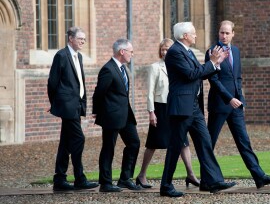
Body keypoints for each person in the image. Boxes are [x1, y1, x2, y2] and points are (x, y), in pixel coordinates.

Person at [160, 21, 236, 198]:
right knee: (175, 146)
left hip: (193, 106)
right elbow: (191, 74)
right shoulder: (175, 53)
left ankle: (213, 180)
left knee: (205, 141)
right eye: (193, 33)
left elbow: (200, 73)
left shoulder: (188, 52)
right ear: (185, 36)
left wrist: (216, 64)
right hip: (181, 107)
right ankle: (166, 185)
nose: (196, 35)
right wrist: (212, 62)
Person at [205, 20, 270, 189]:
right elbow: (214, 80)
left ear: (233, 34)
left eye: (227, 33)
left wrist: (240, 99)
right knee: (209, 143)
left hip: (236, 105)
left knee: (244, 141)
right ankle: (206, 180)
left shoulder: (236, 51)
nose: (223, 36)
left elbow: (237, 78)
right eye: (221, 32)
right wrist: (228, 98)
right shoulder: (212, 52)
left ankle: (259, 176)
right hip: (220, 104)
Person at [136, 38, 199, 189]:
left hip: (176, 107)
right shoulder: (154, 67)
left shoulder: (179, 65)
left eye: (168, 49)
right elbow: (150, 92)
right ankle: (141, 175)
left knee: (183, 142)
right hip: (161, 109)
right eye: (163, 49)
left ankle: (191, 175)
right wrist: (151, 112)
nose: (165, 52)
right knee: (153, 143)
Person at [47, 26, 98, 191]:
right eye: (80, 38)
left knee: (66, 142)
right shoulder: (61, 55)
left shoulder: (79, 57)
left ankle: (59, 179)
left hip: (76, 105)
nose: (83, 41)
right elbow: (52, 82)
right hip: (66, 106)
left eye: (84, 39)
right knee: (78, 139)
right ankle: (79, 179)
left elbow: (79, 82)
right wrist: (56, 103)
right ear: (70, 38)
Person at [93, 38, 141, 192]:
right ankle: (105, 183)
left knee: (134, 143)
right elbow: (99, 93)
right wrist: (97, 112)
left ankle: (125, 178)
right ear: (122, 52)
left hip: (126, 115)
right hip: (111, 116)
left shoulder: (122, 68)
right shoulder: (108, 69)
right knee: (108, 148)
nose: (132, 54)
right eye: (130, 51)